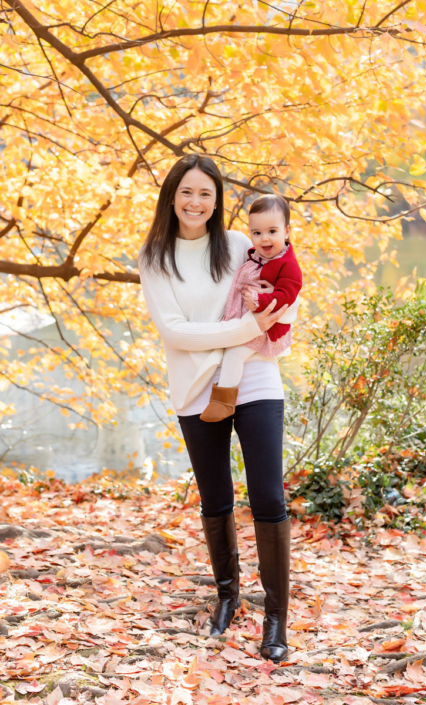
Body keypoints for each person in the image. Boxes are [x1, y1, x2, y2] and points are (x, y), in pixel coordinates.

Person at [138, 154, 299, 662]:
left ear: (216, 201)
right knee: (215, 499)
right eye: (187, 192)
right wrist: (249, 328)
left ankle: (276, 618)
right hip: (196, 388)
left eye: (205, 193)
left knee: (269, 497)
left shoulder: (235, 244)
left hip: (254, 376)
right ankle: (228, 596)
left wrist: (256, 334)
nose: (195, 202)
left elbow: (286, 296)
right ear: (171, 196)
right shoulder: (154, 257)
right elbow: (175, 333)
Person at [200, 194, 302, 422]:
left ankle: (223, 401)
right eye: (257, 233)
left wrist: (260, 300)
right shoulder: (259, 256)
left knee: (235, 353)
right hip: (247, 321)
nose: (264, 239)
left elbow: (286, 297)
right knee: (228, 349)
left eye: (272, 231)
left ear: (287, 231)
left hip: (266, 329)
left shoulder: (288, 265)